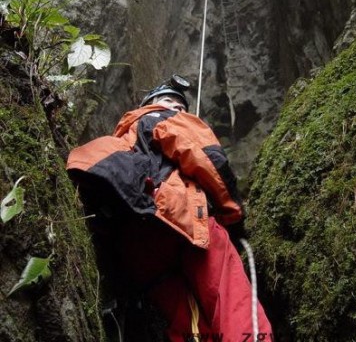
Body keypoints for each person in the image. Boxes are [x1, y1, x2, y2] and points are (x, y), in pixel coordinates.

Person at [67, 74, 273, 342]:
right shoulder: (161, 118)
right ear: (151, 105)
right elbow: (207, 158)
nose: (178, 109)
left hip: (139, 242)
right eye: (170, 102)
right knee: (232, 302)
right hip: (182, 217)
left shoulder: (124, 141)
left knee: (188, 324)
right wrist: (232, 214)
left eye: (181, 106)